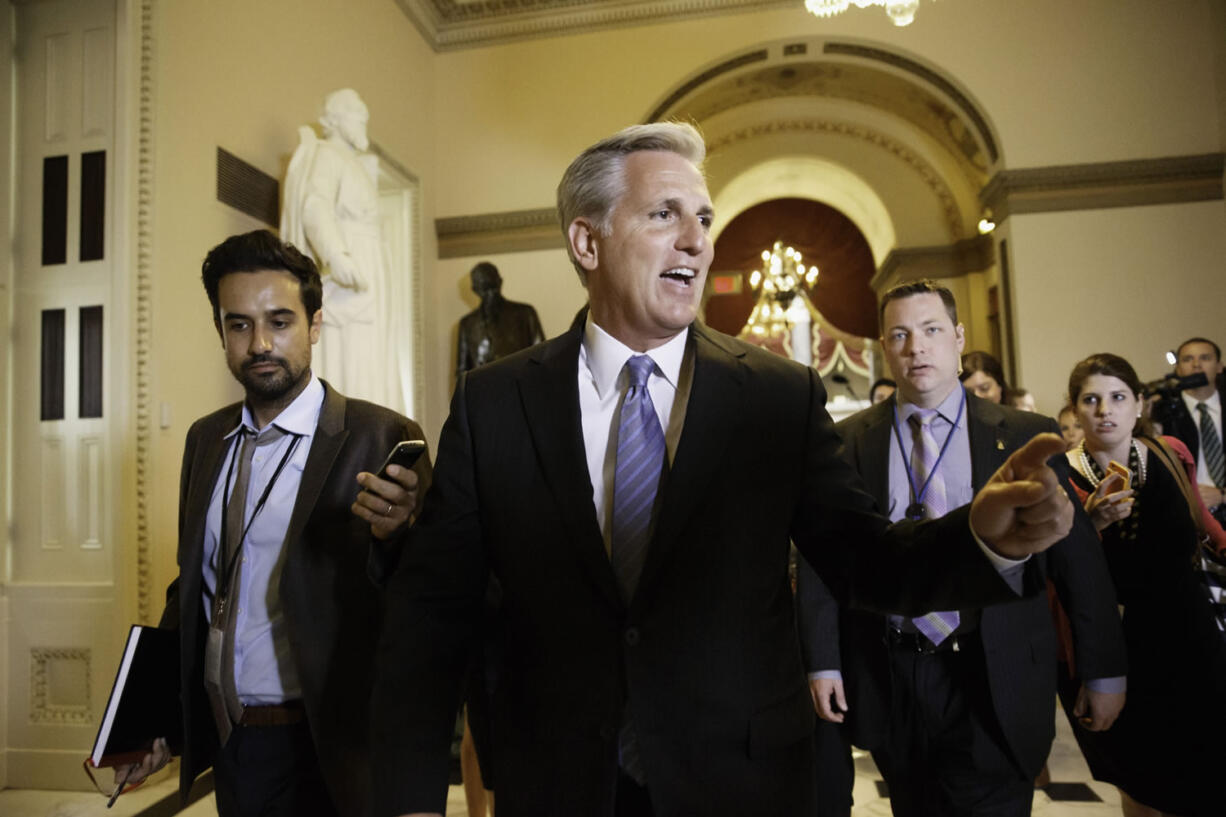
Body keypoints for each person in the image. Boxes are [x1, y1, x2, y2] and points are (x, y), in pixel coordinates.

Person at [370, 123, 1077, 817]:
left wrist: (980, 537)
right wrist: (409, 797)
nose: (698, 241)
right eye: (664, 215)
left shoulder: (777, 394)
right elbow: (435, 609)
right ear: (587, 241)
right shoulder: (495, 401)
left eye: (704, 218)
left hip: (742, 780)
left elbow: (865, 561)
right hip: (558, 778)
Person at [115, 230, 429, 817]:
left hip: (332, 744)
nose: (259, 343)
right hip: (235, 742)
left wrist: (398, 535)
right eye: (239, 325)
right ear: (221, 332)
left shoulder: (380, 436)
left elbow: (428, 600)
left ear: (313, 325)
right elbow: (192, 588)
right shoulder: (206, 439)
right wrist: (149, 721)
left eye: (279, 321)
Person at [794, 281, 1126, 817]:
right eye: (900, 335)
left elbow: (1076, 557)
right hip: (893, 671)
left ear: (958, 337)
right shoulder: (850, 441)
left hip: (993, 666)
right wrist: (823, 662)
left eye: (930, 331)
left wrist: (1104, 668)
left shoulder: (1023, 434)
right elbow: (824, 557)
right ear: (883, 344)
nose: (916, 348)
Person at [1063, 352, 1226, 817]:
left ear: (1138, 404)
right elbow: (1055, 564)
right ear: (1074, 410)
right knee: (1141, 780)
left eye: (1117, 397)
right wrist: (1091, 522)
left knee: (1207, 770)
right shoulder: (1060, 474)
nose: (1105, 410)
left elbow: (1201, 521)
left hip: (1190, 634)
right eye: (1090, 400)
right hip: (1116, 643)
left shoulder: (1170, 452)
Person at [282, 88, 393, 408]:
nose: (364, 121)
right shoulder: (328, 155)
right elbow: (315, 206)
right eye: (358, 115)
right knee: (350, 348)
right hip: (350, 265)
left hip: (368, 262)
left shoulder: (354, 162)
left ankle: (372, 422)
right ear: (336, 120)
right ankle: (350, 426)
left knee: (370, 349)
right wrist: (337, 255)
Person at [1149, 337, 1226, 526]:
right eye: (1187, 359)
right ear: (1178, 369)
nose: (1196, 365)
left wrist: (1223, 496)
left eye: (1205, 358)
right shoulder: (1163, 411)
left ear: (1219, 367)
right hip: (1185, 514)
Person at [455, 261, 545, 380]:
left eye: (492, 287)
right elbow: (461, 374)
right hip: (483, 394)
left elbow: (541, 358)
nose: (490, 294)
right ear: (475, 290)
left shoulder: (525, 314)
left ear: (500, 282)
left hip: (520, 390)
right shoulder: (467, 324)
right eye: (485, 289)